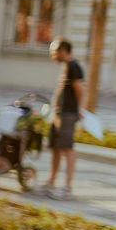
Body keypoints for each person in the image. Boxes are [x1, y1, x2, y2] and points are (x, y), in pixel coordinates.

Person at [46, 38, 84, 198]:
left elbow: (80, 89)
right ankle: (51, 182)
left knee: (67, 148)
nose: (52, 55)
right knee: (55, 147)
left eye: (54, 52)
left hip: (68, 113)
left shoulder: (74, 66)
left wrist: (80, 110)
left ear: (63, 51)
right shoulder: (66, 66)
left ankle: (67, 187)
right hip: (59, 113)